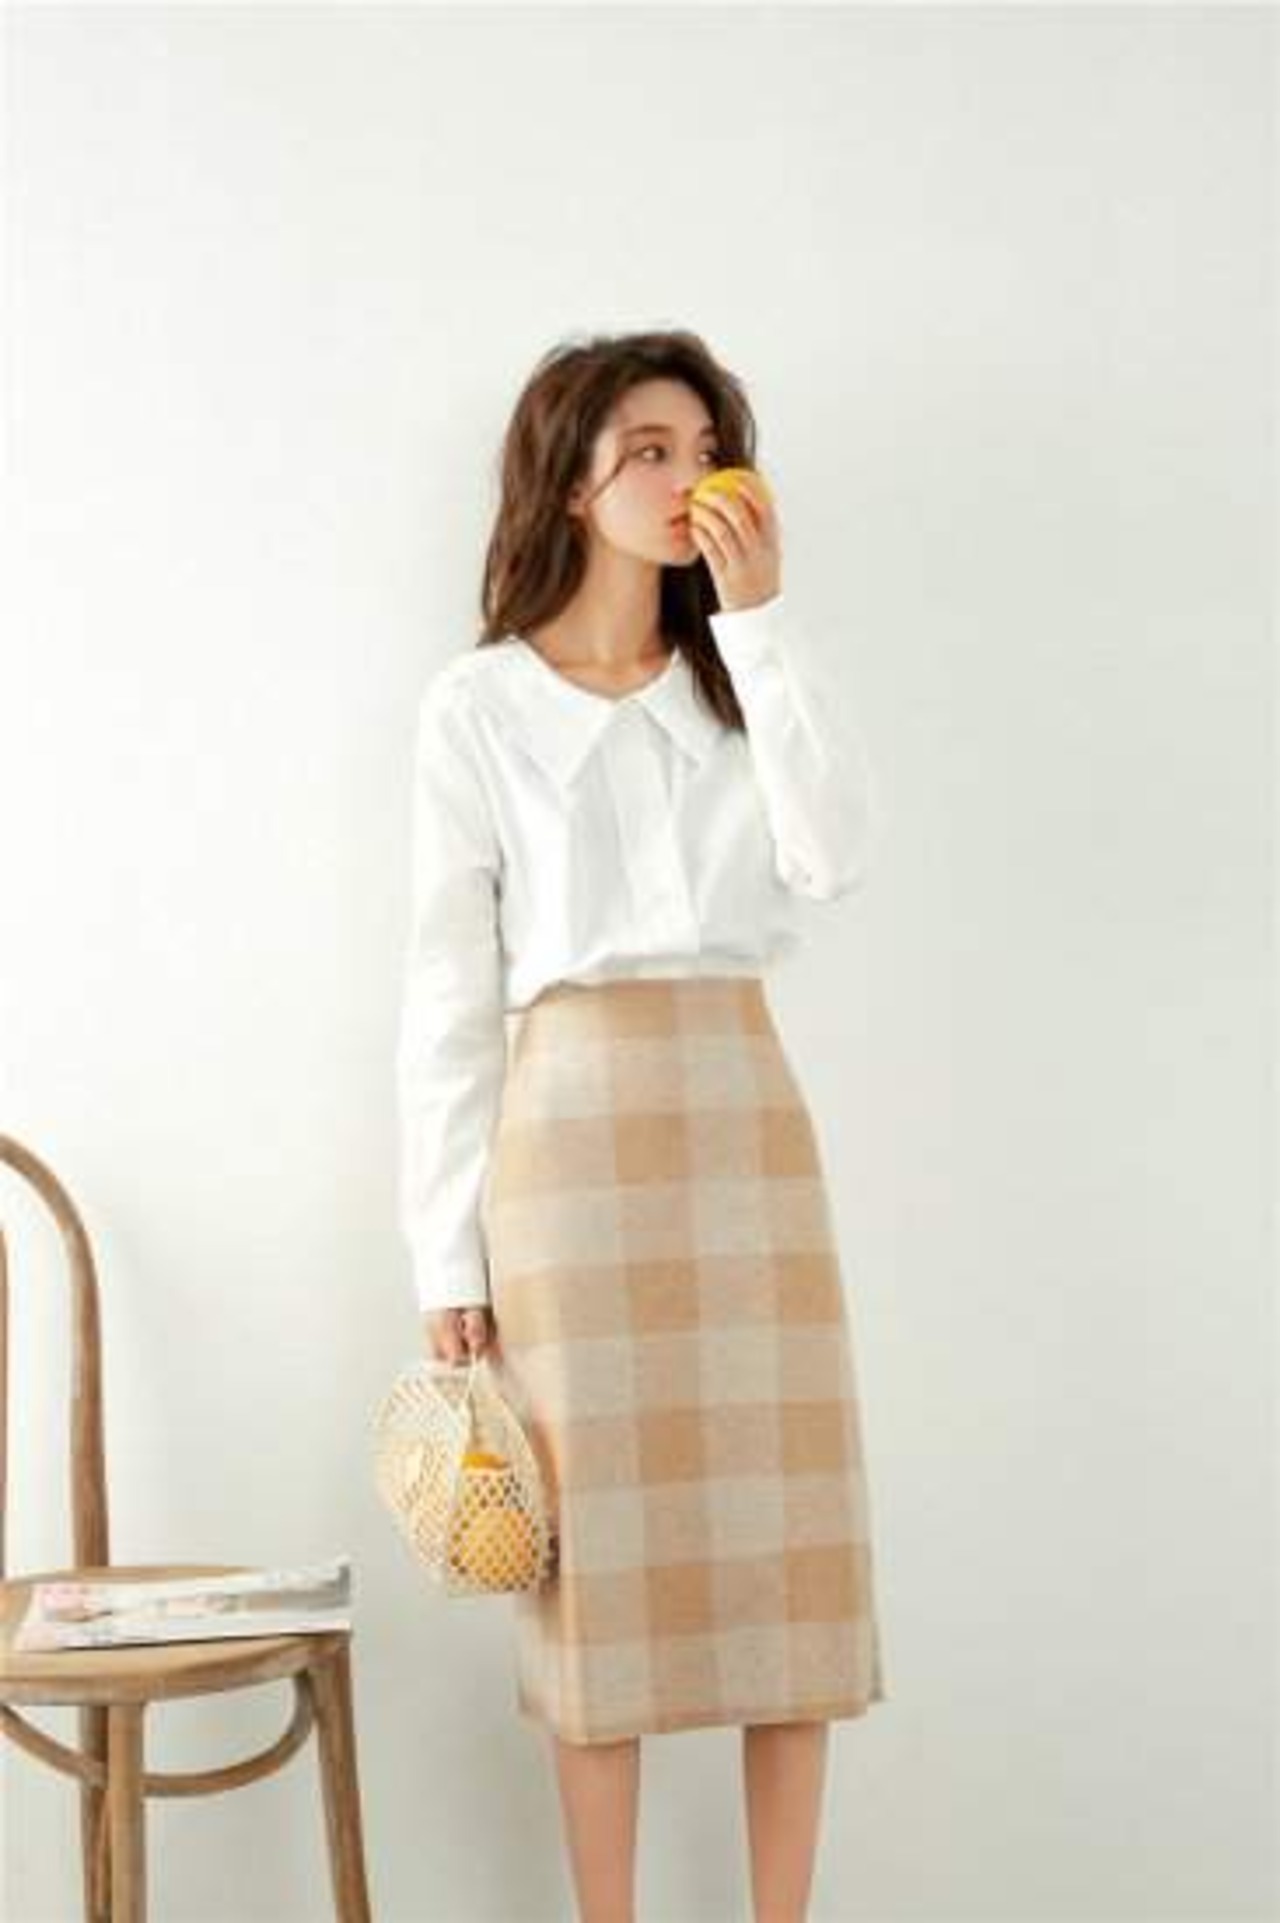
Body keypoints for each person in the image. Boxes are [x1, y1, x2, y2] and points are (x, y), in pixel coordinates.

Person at [395, 327, 888, 1923]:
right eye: (652, 452)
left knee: (792, 1561)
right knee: (594, 1580)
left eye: (707, 449)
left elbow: (833, 857)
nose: (689, 480)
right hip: (566, 1149)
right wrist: (444, 1252)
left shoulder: (745, 677)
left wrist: (765, 623)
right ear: (573, 482)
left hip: (744, 1121)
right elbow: (446, 993)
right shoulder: (477, 709)